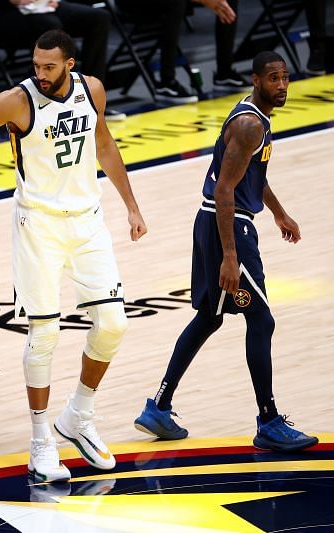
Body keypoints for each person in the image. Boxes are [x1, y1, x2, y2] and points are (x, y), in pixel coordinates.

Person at [0, 30, 147, 481]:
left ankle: (78, 415)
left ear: (70, 64)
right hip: (38, 226)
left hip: (87, 220)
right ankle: (41, 439)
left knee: (113, 324)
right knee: (44, 334)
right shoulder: (16, 101)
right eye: (35, 65)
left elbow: (104, 144)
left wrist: (131, 204)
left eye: (49, 66)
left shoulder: (94, 90)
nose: (40, 73)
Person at [133, 51, 319, 453]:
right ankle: (268, 420)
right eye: (273, 78)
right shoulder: (251, 124)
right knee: (262, 321)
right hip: (227, 224)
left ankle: (158, 408)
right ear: (255, 80)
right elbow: (224, 190)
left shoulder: (254, 119)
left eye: (285, 77)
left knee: (209, 318)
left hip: (216, 221)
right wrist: (231, 255)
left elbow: (251, 175)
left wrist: (280, 214)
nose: (282, 85)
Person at [0, 0, 125, 120]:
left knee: (99, 17)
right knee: (51, 27)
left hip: (40, 7)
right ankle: (59, 104)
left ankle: (92, 102)